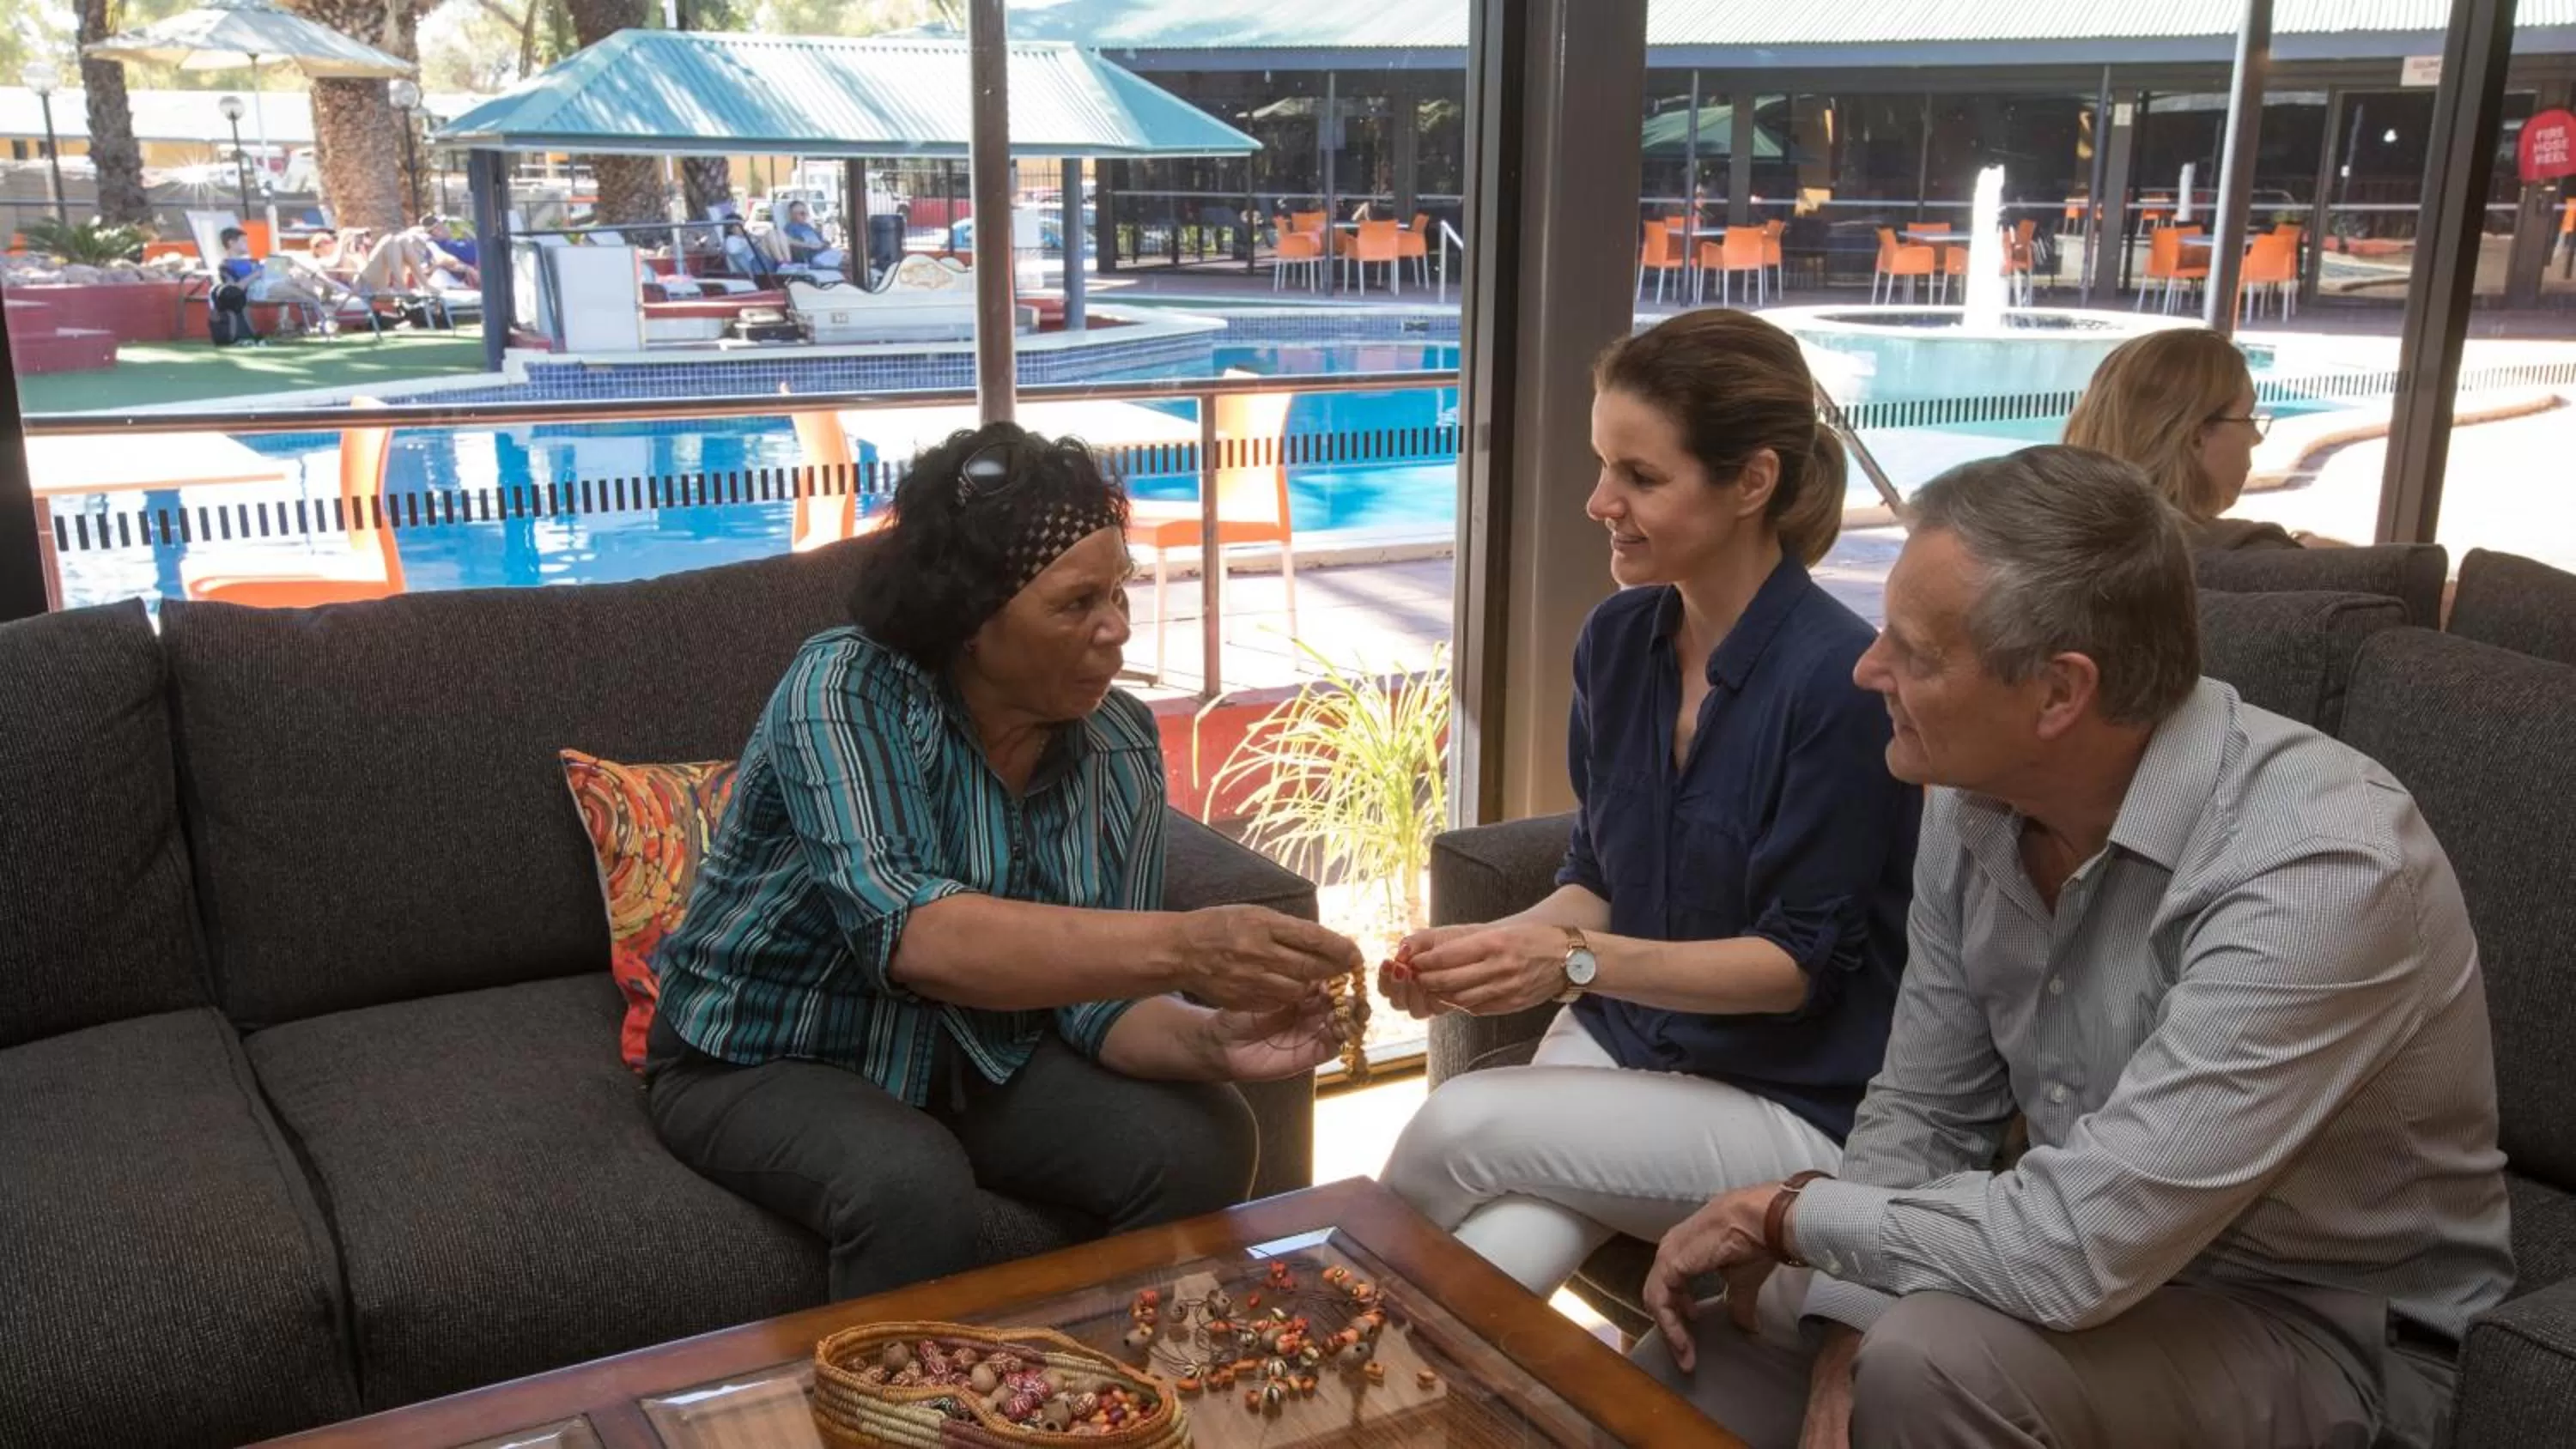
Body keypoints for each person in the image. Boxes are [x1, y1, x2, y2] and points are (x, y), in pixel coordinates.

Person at [1637, 445, 2513, 1449]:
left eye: (1914, 652)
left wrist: (1793, 1214)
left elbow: (2076, 1247)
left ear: (2059, 693)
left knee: (1929, 1361)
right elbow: (1928, 1109)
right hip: (2070, 1274)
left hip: (2326, 1327)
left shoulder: (2321, 869)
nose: (1866, 667)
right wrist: (1844, 1331)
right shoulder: (1974, 799)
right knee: (1685, 1361)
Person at [645, 423, 1364, 1300]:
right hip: (762, 1051)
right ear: (971, 617)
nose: (1117, 633)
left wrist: (1213, 1035)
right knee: (907, 1183)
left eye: (1120, 593)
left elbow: (1101, 999)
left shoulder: (1118, 740)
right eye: (1076, 604)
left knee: (1203, 1138)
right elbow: (916, 933)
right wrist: (1188, 945)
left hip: (972, 1047)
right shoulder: (845, 688)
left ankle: (1106, 1396)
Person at [1375, 308, 1922, 1300]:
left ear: (1752, 481)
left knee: (1461, 1123)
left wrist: (1572, 961)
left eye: (1640, 475)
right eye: (1602, 466)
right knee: (1505, 1248)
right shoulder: (1618, 640)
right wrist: (1485, 950)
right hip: (1630, 1037)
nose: (1598, 501)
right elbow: (1601, 879)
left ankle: (1328, 1323)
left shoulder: (1840, 682)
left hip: (1786, 1096)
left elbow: (1794, 970)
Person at [2063, 327, 2306, 549]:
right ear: (2194, 437)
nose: (2257, 437)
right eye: (2247, 417)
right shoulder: (2256, 559)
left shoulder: (2046, 542)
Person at [780, 201, 844, 270]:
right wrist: (810, 245)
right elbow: (789, 241)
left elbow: (822, 241)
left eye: (807, 213)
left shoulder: (808, 226)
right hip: (814, 259)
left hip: (824, 253)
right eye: (802, 213)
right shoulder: (790, 227)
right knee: (849, 261)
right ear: (792, 215)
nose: (806, 215)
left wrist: (825, 243)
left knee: (847, 258)